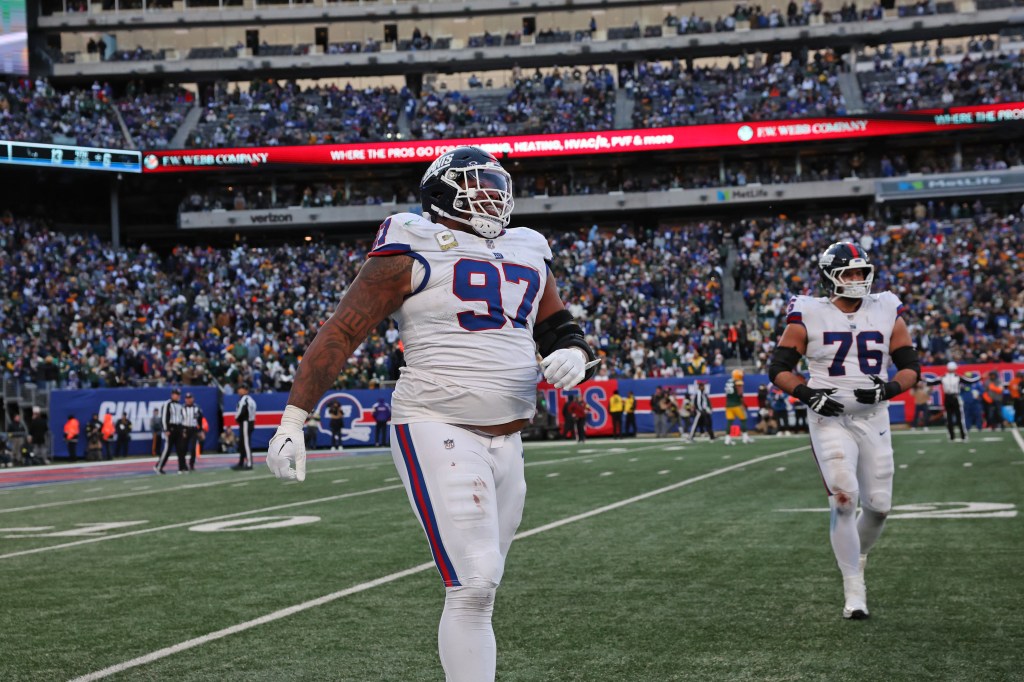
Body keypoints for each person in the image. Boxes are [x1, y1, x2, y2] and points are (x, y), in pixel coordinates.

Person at [266, 146, 598, 682]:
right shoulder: (410, 239)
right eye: (478, 184)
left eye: (496, 184)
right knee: (474, 580)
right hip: (435, 422)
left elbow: (559, 325)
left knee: (481, 592)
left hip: (509, 439)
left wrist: (576, 354)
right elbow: (342, 330)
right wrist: (293, 419)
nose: (492, 194)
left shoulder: (528, 246)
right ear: (442, 192)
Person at [768, 242, 921, 620]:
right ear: (829, 277)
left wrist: (888, 389)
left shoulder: (886, 307)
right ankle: (854, 589)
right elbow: (778, 368)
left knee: (881, 507)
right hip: (829, 419)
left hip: (874, 416)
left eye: (860, 273)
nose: (856, 280)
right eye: (848, 273)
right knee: (842, 496)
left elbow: (910, 366)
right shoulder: (807, 312)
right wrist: (807, 394)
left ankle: (859, 554)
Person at [935, 361, 969, 441]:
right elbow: (969, 381)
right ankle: (963, 436)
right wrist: (980, 377)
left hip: (947, 398)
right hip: (955, 397)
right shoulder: (957, 377)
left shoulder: (943, 377)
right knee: (959, 418)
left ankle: (951, 437)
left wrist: (923, 379)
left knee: (949, 418)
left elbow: (932, 381)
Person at [155, 387, 186, 474]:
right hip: (171, 429)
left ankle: (181, 468)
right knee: (167, 449)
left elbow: (181, 418)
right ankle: (158, 466)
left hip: (178, 428)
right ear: (172, 395)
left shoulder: (180, 405)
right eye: (176, 394)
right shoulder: (167, 404)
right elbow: (164, 418)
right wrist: (166, 429)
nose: (178, 396)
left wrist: (182, 429)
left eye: (179, 394)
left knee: (181, 449)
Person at [723, 369, 753, 445]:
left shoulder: (728, 381)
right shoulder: (738, 382)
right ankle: (745, 438)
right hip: (737, 405)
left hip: (728, 405)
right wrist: (744, 404)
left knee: (729, 422)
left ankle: (727, 439)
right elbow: (740, 394)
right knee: (743, 420)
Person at [233, 383, 256, 470]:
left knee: (246, 443)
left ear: (246, 390)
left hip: (245, 422)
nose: (239, 390)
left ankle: (249, 463)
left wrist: (237, 418)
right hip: (249, 422)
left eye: (241, 389)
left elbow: (242, 411)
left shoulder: (244, 399)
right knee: (242, 443)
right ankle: (241, 462)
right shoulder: (251, 400)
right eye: (239, 389)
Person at [181, 392, 204, 471]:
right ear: (185, 399)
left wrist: (200, 430)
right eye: (187, 398)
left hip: (194, 429)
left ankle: (192, 464)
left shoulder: (197, 408)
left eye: (190, 398)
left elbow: (200, 420)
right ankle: (183, 465)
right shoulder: (182, 408)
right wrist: (182, 430)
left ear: (193, 398)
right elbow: (180, 420)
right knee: (184, 448)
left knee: (193, 448)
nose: (188, 400)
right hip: (185, 429)